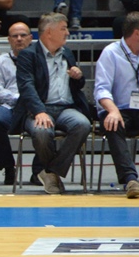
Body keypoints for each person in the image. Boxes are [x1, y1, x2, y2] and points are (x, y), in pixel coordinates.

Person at [12, 12, 92, 194]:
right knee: (42, 131)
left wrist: (78, 77)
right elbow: (26, 86)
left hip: (66, 108)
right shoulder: (28, 55)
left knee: (83, 124)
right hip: (38, 108)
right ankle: (52, 174)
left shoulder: (67, 53)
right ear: (49, 32)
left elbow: (76, 86)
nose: (67, 33)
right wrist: (39, 111)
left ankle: (50, 172)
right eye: (63, 29)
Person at [94, 11, 139, 198]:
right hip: (118, 108)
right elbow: (101, 89)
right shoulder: (111, 52)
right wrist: (113, 110)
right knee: (113, 123)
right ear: (137, 33)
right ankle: (130, 179)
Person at [0, 22, 33, 185]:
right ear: (9, 39)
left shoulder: (39, 59)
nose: (19, 39)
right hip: (9, 106)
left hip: (33, 107)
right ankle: (8, 167)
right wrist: (18, 98)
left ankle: (39, 170)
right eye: (15, 36)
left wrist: (30, 101)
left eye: (23, 35)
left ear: (30, 38)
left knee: (47, 124)